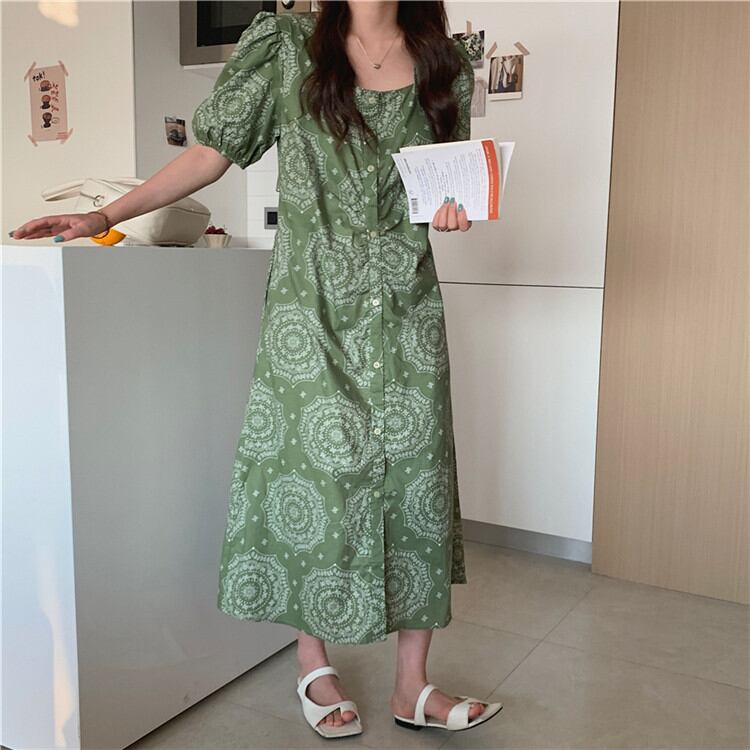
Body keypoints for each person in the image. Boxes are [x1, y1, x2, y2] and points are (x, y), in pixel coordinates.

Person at [9, 0, 503, 738]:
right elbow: (210, 154)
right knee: (315, 474)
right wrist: (103, 216)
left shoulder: (445, 61)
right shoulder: (287, 45)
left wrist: (451, 210)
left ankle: (412, 685)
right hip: (310, 311)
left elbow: (441, 184)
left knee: (418, 477)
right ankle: (313, 660)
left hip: (406, 306)